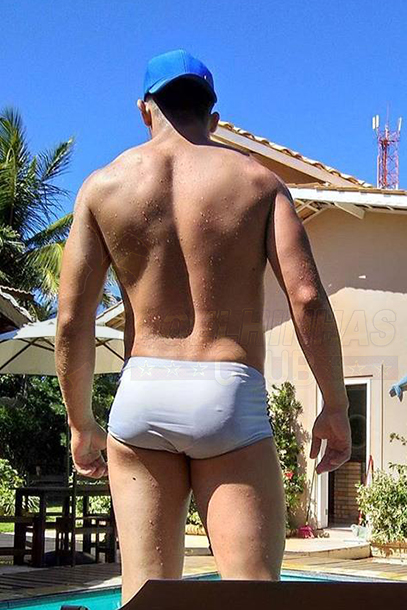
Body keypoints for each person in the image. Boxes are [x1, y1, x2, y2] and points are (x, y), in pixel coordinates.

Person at [55, 49, 352, 603]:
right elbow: (307, 298)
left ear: (145, 110)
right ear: (213, 118)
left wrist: (80, 421)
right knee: (252, 591)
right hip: (228, 390)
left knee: (145, 592)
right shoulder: (259, 183)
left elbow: (72, 320)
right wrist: (335, 406)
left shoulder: (102, 188)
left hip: (143, 391)